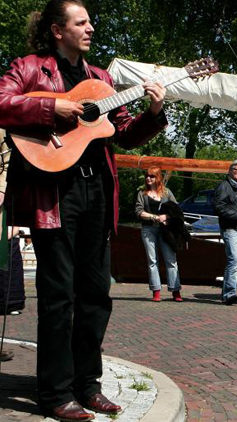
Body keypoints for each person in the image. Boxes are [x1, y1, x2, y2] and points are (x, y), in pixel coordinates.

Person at [0, 1, 167, 420]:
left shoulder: (102, 79)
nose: (91, 27)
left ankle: (87, 385)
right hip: (54, 195)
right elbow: (2, 101)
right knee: (59, 298)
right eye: (82, 22)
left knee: (95, 295)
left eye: (90, 21)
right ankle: (55, 394)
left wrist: (154, 112)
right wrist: (50, 107)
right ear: (58, 30)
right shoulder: (30, 67)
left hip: (97, 192)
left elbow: (123, 134)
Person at [135, 166, 182, 302]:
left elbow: (177, 210)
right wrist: (154, 217)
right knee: (152, 261)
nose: (148, 178)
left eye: (152, 176)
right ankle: (156, 291)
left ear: (158, 178)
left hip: (165, 231)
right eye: (147, 176)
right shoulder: (142, 194)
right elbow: (139, 211)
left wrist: (166, 217)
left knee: (171, 259)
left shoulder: (167, 192)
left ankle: (175, 290)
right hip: (148, 229)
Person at [214, 160, 237, 306]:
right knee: (233, 262)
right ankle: (229, 294)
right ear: (230, 171)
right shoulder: (224, 186)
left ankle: (228, 293)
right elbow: (218, 207)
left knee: (236, 263)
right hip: (230, 229)